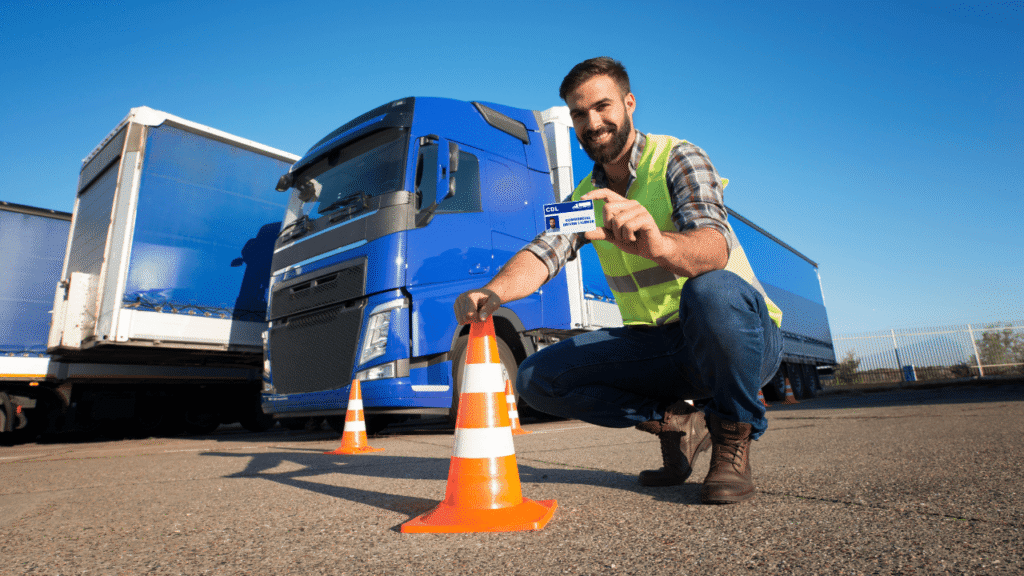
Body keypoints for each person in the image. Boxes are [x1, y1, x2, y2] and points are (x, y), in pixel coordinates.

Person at [453, 57, 782, 505]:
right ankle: (677, 423)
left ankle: (731, 437)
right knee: (537, 378)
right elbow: (543, 253)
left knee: (711, 290)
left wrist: (659, 246)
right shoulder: (585, 198)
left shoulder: (678, 158)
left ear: (629, 104)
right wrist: (492, 292)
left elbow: (713, 247)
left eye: (602, 106)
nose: (592, 123)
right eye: (579, 113)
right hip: (660, 346)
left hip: (738, 340)